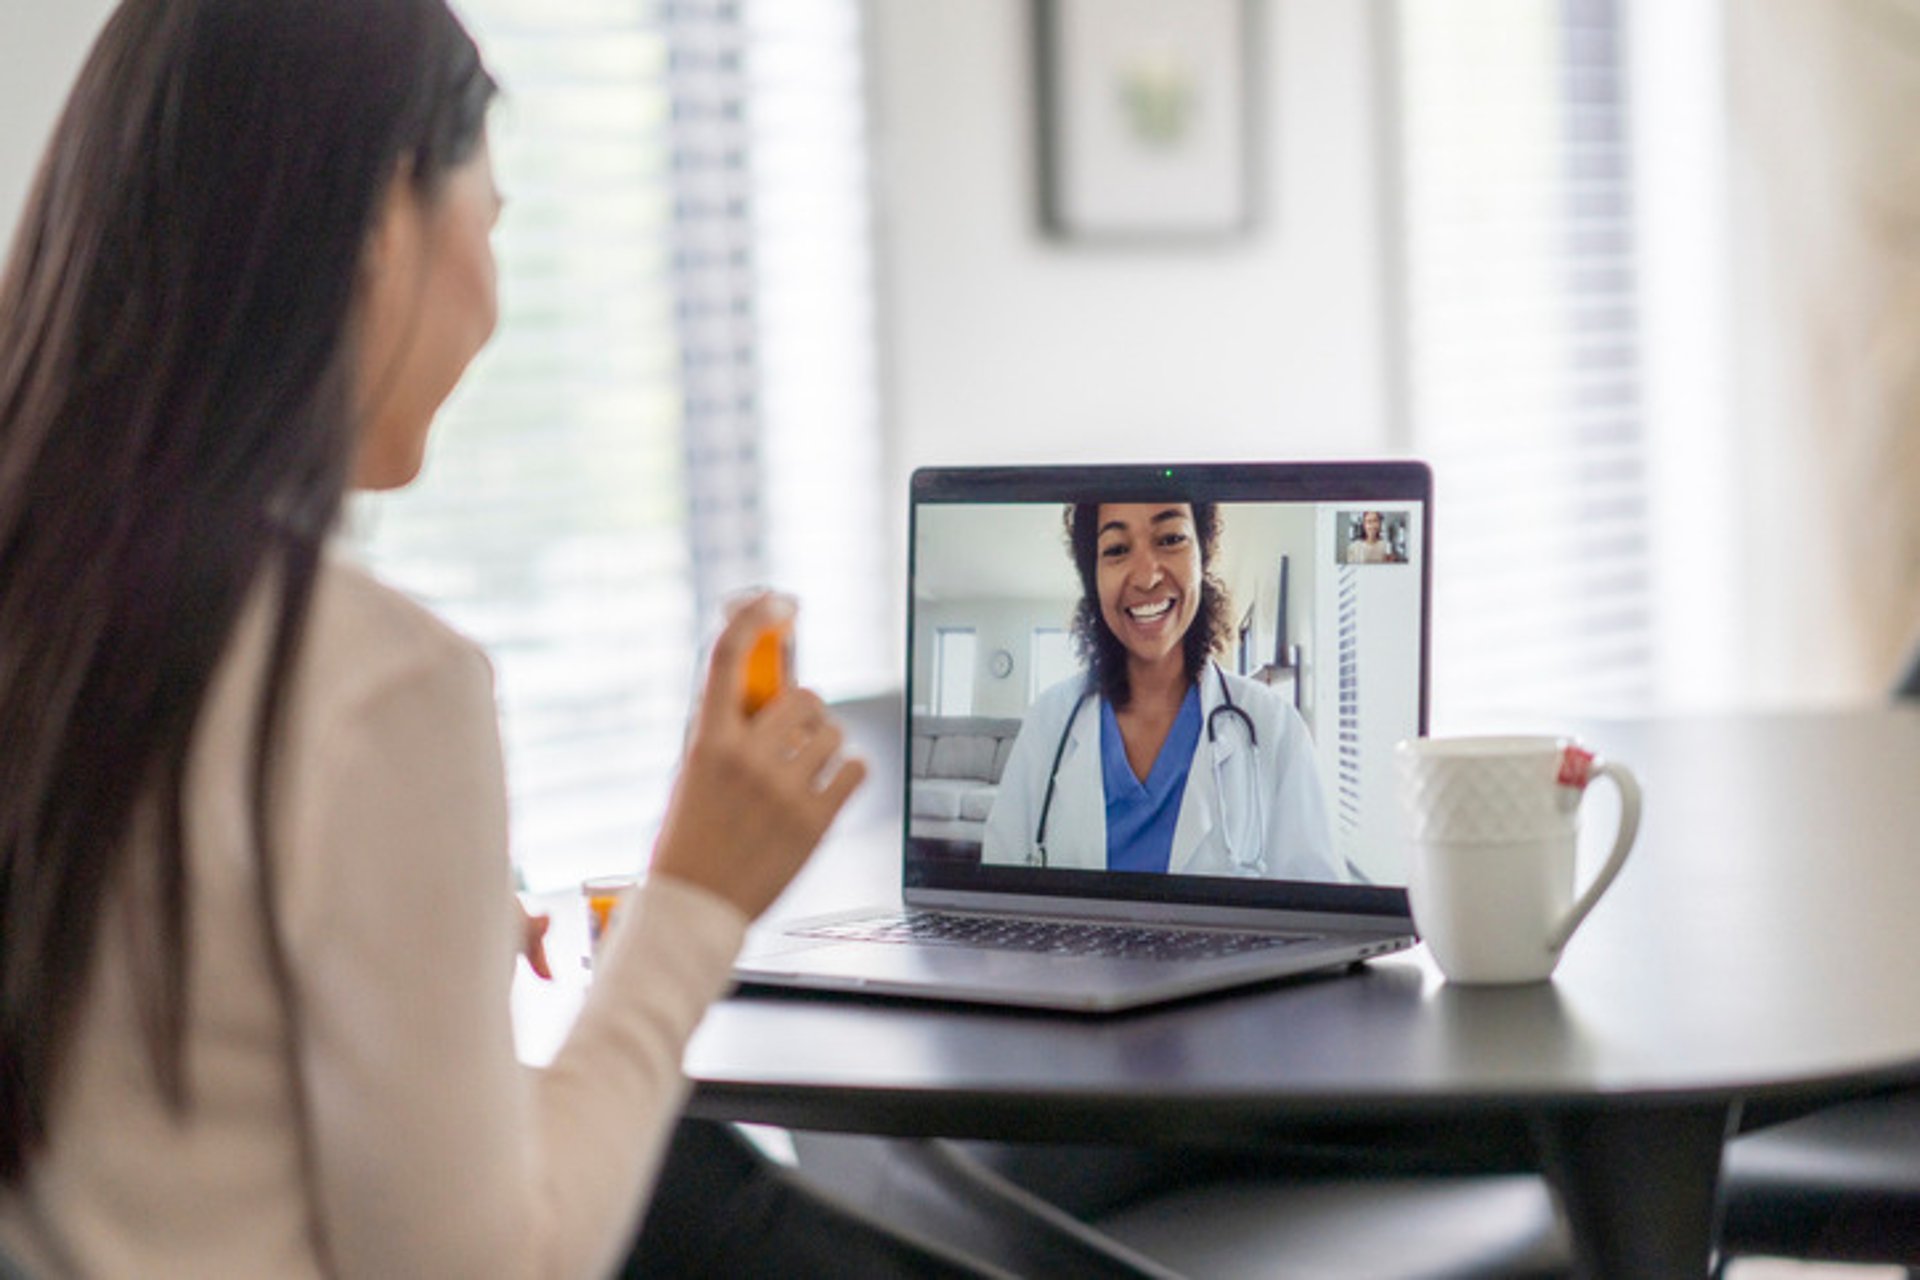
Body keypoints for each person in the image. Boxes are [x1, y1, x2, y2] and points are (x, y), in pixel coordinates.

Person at [0, 3, 987, 1276]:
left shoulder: (57, 607)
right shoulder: (374, 685)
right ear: (378, 228)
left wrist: (408, 928)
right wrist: (695, 896)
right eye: (492, 218)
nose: (494, 295)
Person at [981, 502, 1338, 882]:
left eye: (1170, 539)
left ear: (1203, 555)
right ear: (1094, 578)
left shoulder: (1275, 728)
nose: (1147, 577)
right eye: (1117, 549)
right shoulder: (1048, 722)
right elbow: (998, 894)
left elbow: (1319, 921)